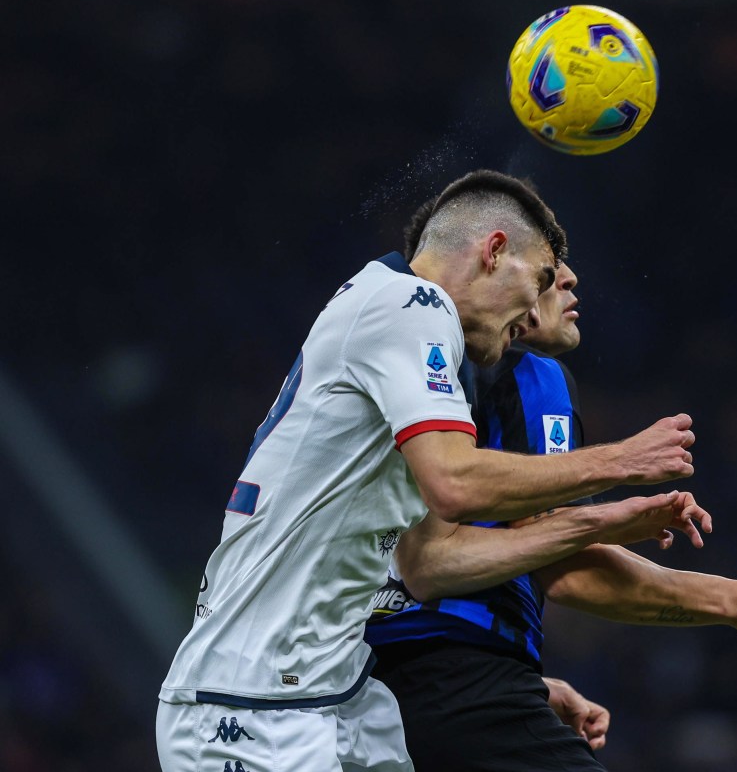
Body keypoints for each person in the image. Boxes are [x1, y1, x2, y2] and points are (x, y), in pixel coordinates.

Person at [156, 169, 706, 772]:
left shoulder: (392, 309)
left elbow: (422, 555)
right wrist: (621, 462)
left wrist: (532, 690)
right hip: (249, 706)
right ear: (494, 252)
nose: (533, 309)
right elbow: (456, 484)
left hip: (331, 696)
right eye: (540, 279)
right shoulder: (408, 307)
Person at [365, 248, 737, 771]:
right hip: (461, 673)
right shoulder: (531, 372)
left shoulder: (405, 360)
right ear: (497, 271)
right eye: (550, 265)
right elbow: (565, 571)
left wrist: (537, 687)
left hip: (363, 681)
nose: (569, 278)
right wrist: (730, 599)